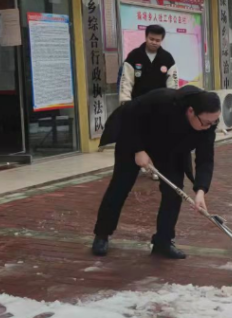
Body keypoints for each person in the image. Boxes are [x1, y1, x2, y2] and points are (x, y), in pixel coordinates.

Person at [93, 87, 220, 258]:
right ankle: (102, 234)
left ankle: (163, 241)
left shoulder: (208, 126)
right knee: (120, 185)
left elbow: (205, 159)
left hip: (170, 149)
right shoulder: (164, 100)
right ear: (191, 111)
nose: (209, 127)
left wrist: (200, 191)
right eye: (206, 122)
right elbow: (130, 115)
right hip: (135, 137)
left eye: (214, 122)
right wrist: (138, 150)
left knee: (174, 191)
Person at [119, 24, 178, 103]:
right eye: (151, 39)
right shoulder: (134, 55)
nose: (154, 42)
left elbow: (172, 83)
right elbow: (126, 81)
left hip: (161, 104)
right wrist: (125, 101)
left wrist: (174, 101)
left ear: (161, 40)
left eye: (157, 40)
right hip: (138, 104)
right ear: (146, 37)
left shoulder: (167, 58)